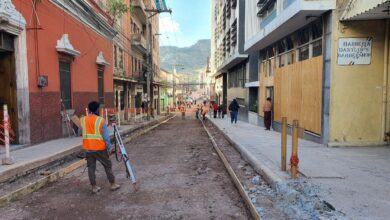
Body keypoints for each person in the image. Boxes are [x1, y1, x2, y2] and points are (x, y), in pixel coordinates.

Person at [81, 101, 120, 193]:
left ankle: (94, 187)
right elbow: (106, 137)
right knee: (107, 165)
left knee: (91, 167)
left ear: (89, 109)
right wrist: (110, 147)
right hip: (100, 148)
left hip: (88, 148)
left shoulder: (83, 119)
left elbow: (82, 132)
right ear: (97, 109)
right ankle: (113, 184)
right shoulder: (100, 120)